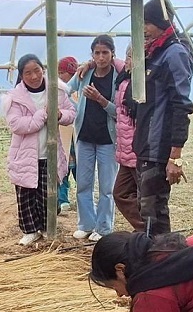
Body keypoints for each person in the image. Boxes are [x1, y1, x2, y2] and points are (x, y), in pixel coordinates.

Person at [121, 0, 193, 235]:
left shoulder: (174, 54)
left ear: (162, 23)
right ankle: (155, 258)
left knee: (154, 214)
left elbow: (181, 106)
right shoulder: (153, 52)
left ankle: (163, 262)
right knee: (148, 212)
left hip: (158, 149)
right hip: (144, 146)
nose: (143, 29)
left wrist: (175, 156)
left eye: (147, 22)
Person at [3, 54, 77, 245]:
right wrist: (42, 115)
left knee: (47, 194)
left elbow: (71, 113)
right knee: (26, 194)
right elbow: (16, 124)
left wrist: (60, 114)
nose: (34, 76)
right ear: (21, 75)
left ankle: (46, 227)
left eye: (37, 70)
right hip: (25, 154)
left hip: (49, 152)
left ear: (43, 70)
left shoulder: (56, 90)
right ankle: (29, 230)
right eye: (28, 73)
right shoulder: (15, 98)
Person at [68, 35, 123, 242]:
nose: (101, 58)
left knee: (107, 187)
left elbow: (120, 112)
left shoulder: (119, 77)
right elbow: (66, 91)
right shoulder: (85, 73)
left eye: (105, 53)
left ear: (112, 54)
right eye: (97, 53)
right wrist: (74, 110)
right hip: (84, 136)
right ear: (92, 54)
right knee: (83, 182)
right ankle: (86, 224)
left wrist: (100, 100)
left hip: (108, 139)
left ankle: (104, 227)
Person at [111, 53, 145, 231]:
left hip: (137, 151)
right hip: (125, 151)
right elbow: (109, 57)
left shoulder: (143, 83)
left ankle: (152, 235)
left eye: (133, 56)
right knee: (121, 193)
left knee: (145, 198)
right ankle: (145, 230)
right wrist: (89, 63)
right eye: (127, 56)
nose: (128, 61)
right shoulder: (125, 76)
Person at [57, 56, 79, 211]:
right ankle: (62, 198)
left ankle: (83, 195)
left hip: (78, 135)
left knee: (80, 168)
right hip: (63, 134)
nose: (59, 75)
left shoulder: (80, 89)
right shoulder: (58, 90)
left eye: (62, 72)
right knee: (62, 166)